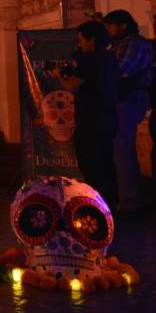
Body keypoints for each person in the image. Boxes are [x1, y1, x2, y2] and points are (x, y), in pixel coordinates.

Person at [52, 21, 118, 206]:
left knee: (91, 164)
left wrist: (58, 75)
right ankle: (109, 205)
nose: (79, 44)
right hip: (108, 118)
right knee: (106, 163)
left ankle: (97, 204)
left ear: (92, 40)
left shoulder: (91, 60)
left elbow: (73, 86)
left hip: (91, 120)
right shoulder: (110, 58)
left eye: (81, 40)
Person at [103, 9, 152, 213]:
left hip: (129, 100)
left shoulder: (134, 43)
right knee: (117, 150)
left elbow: (122, 71)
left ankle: (130, 200)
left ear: (122, 25)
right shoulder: (117, 44)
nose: (108, 30)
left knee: (122, 150)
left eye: (110, 25)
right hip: (120, 100)